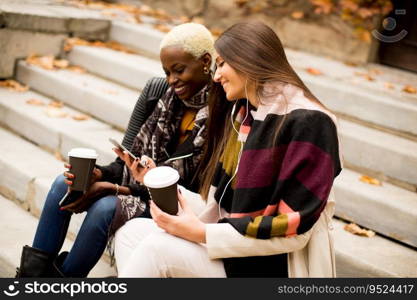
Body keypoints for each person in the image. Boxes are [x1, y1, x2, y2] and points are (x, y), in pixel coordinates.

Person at [114, 21, 342, 278]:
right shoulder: (245, 115)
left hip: (270, 266)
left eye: (222, 64)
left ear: (249, 60)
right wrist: (159, 184)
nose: (215, 76)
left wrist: (201, 233)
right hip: (233, 250)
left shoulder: (309, 123)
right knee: (130, 234)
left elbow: (294, 232)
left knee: (157, 249)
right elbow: (218, 206)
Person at [16, 22, 215, 277]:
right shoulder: (159, 93)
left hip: (177, 203)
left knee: (105, 208)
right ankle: (30, 281)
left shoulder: (222, 112)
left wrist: (115, 188)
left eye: (179, 70)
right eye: (167, 72)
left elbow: (185, 188)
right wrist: (100, 174)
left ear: (205, 61)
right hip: (138, 185)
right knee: (61, 185)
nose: (172, 80)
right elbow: (126, 161)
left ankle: (61, 283)